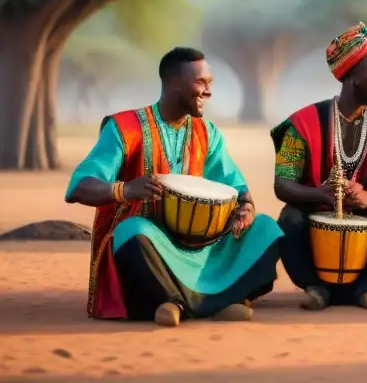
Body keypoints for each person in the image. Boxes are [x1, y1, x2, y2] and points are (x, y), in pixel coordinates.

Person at [65, 47, 283, 326]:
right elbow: (78, 187)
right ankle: (205, 303)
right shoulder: (125, 127)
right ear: (174, 83)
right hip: (150, 245)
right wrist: (124, 189)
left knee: (266, 230)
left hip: (199, 243)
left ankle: (181, 304)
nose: (208, 91)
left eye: (210, 83)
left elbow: (236, 186)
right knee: (133, 231)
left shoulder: (207, 133)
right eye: (201, 83)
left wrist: (246, 208)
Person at [271, 23, 367, 313]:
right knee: (289, 220)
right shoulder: (303, 124)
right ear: (352, 76)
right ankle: (316, 288)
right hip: (317, 219)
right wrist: (322, 195)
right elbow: (282, 184)